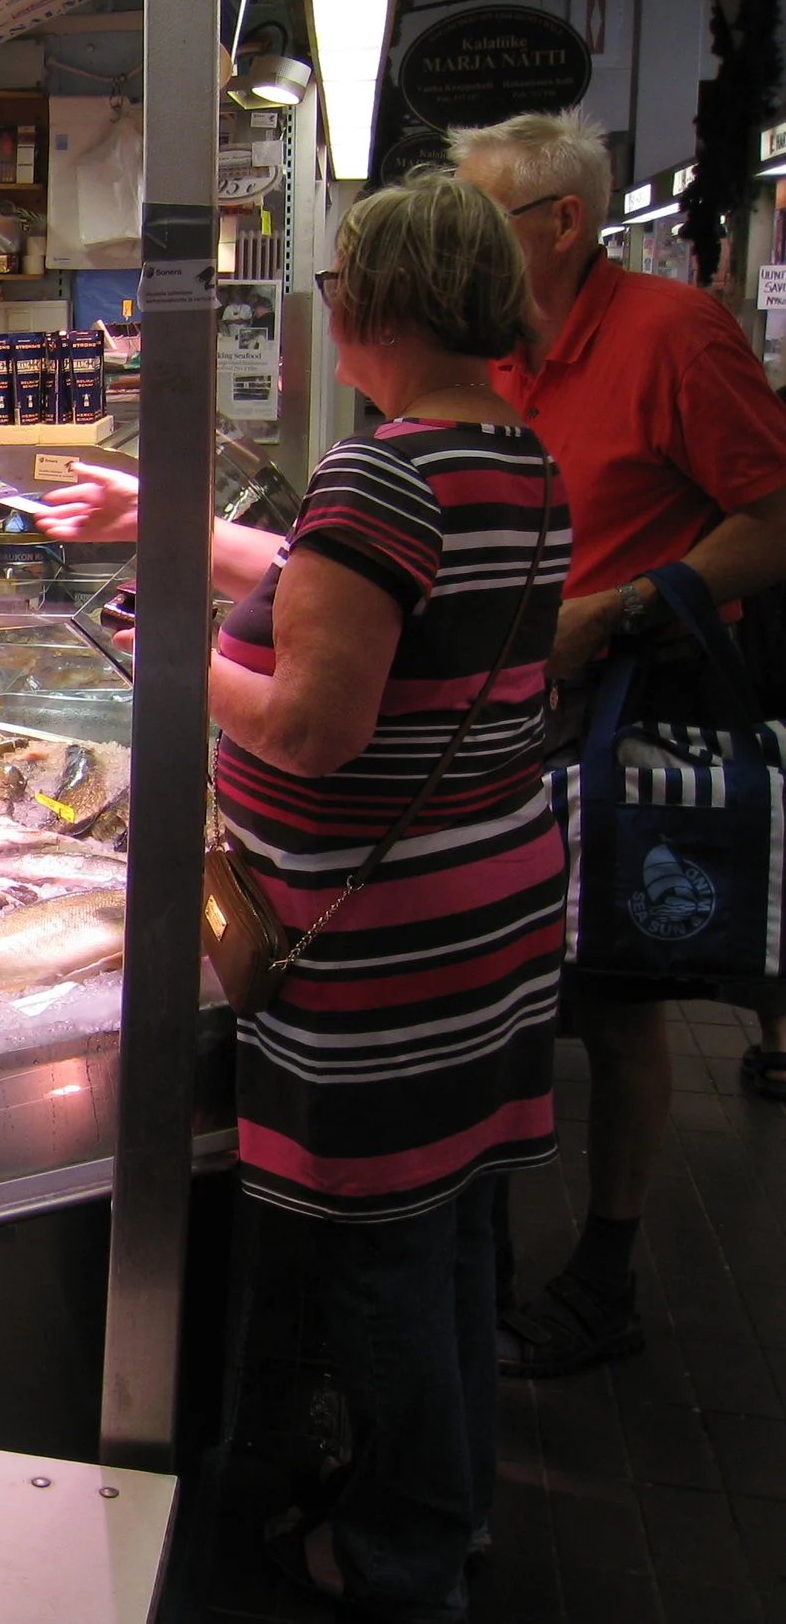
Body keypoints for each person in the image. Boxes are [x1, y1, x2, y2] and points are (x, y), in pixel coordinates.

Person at [44, 175, 567, 1623]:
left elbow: (307, 724)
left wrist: (149, 650)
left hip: (385, 937)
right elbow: (335, 586)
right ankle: (448, 1511)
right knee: (451, 1227)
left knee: (379, 1261)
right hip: (493, 908)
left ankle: (401, 1556)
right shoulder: (510, 454)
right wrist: (168, 523)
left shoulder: (384, 471)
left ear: (373, 307)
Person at [451, 108, 786, 1377]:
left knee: (616, 992)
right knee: (512, 977)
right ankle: (479, 1245)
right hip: (511, 702)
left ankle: (605, 1273)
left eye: (482, 217)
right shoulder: (500, 347)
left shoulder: (673, 336)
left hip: (631, 704)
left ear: (562, 224)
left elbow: (774, 515)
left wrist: (623, 605)